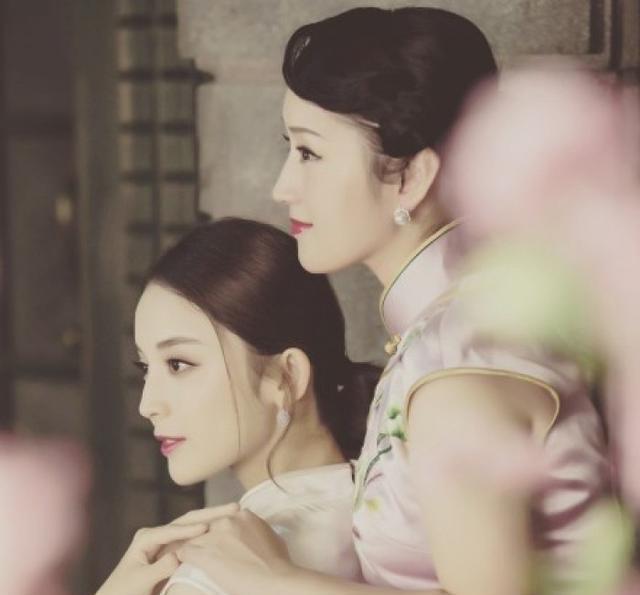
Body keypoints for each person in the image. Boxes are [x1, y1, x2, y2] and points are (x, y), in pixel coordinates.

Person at [173, 7, 612, 595]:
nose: (282, 187)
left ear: (409, 176)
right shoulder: (456, 330)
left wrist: (274, 581)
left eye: (309, 153)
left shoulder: (460, 371)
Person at [95, 217, 380, 595]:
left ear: (287, 376)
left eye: (178, 364)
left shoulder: (210, 578)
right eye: (146, 367)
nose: (148, 405)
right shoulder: (390, 509)